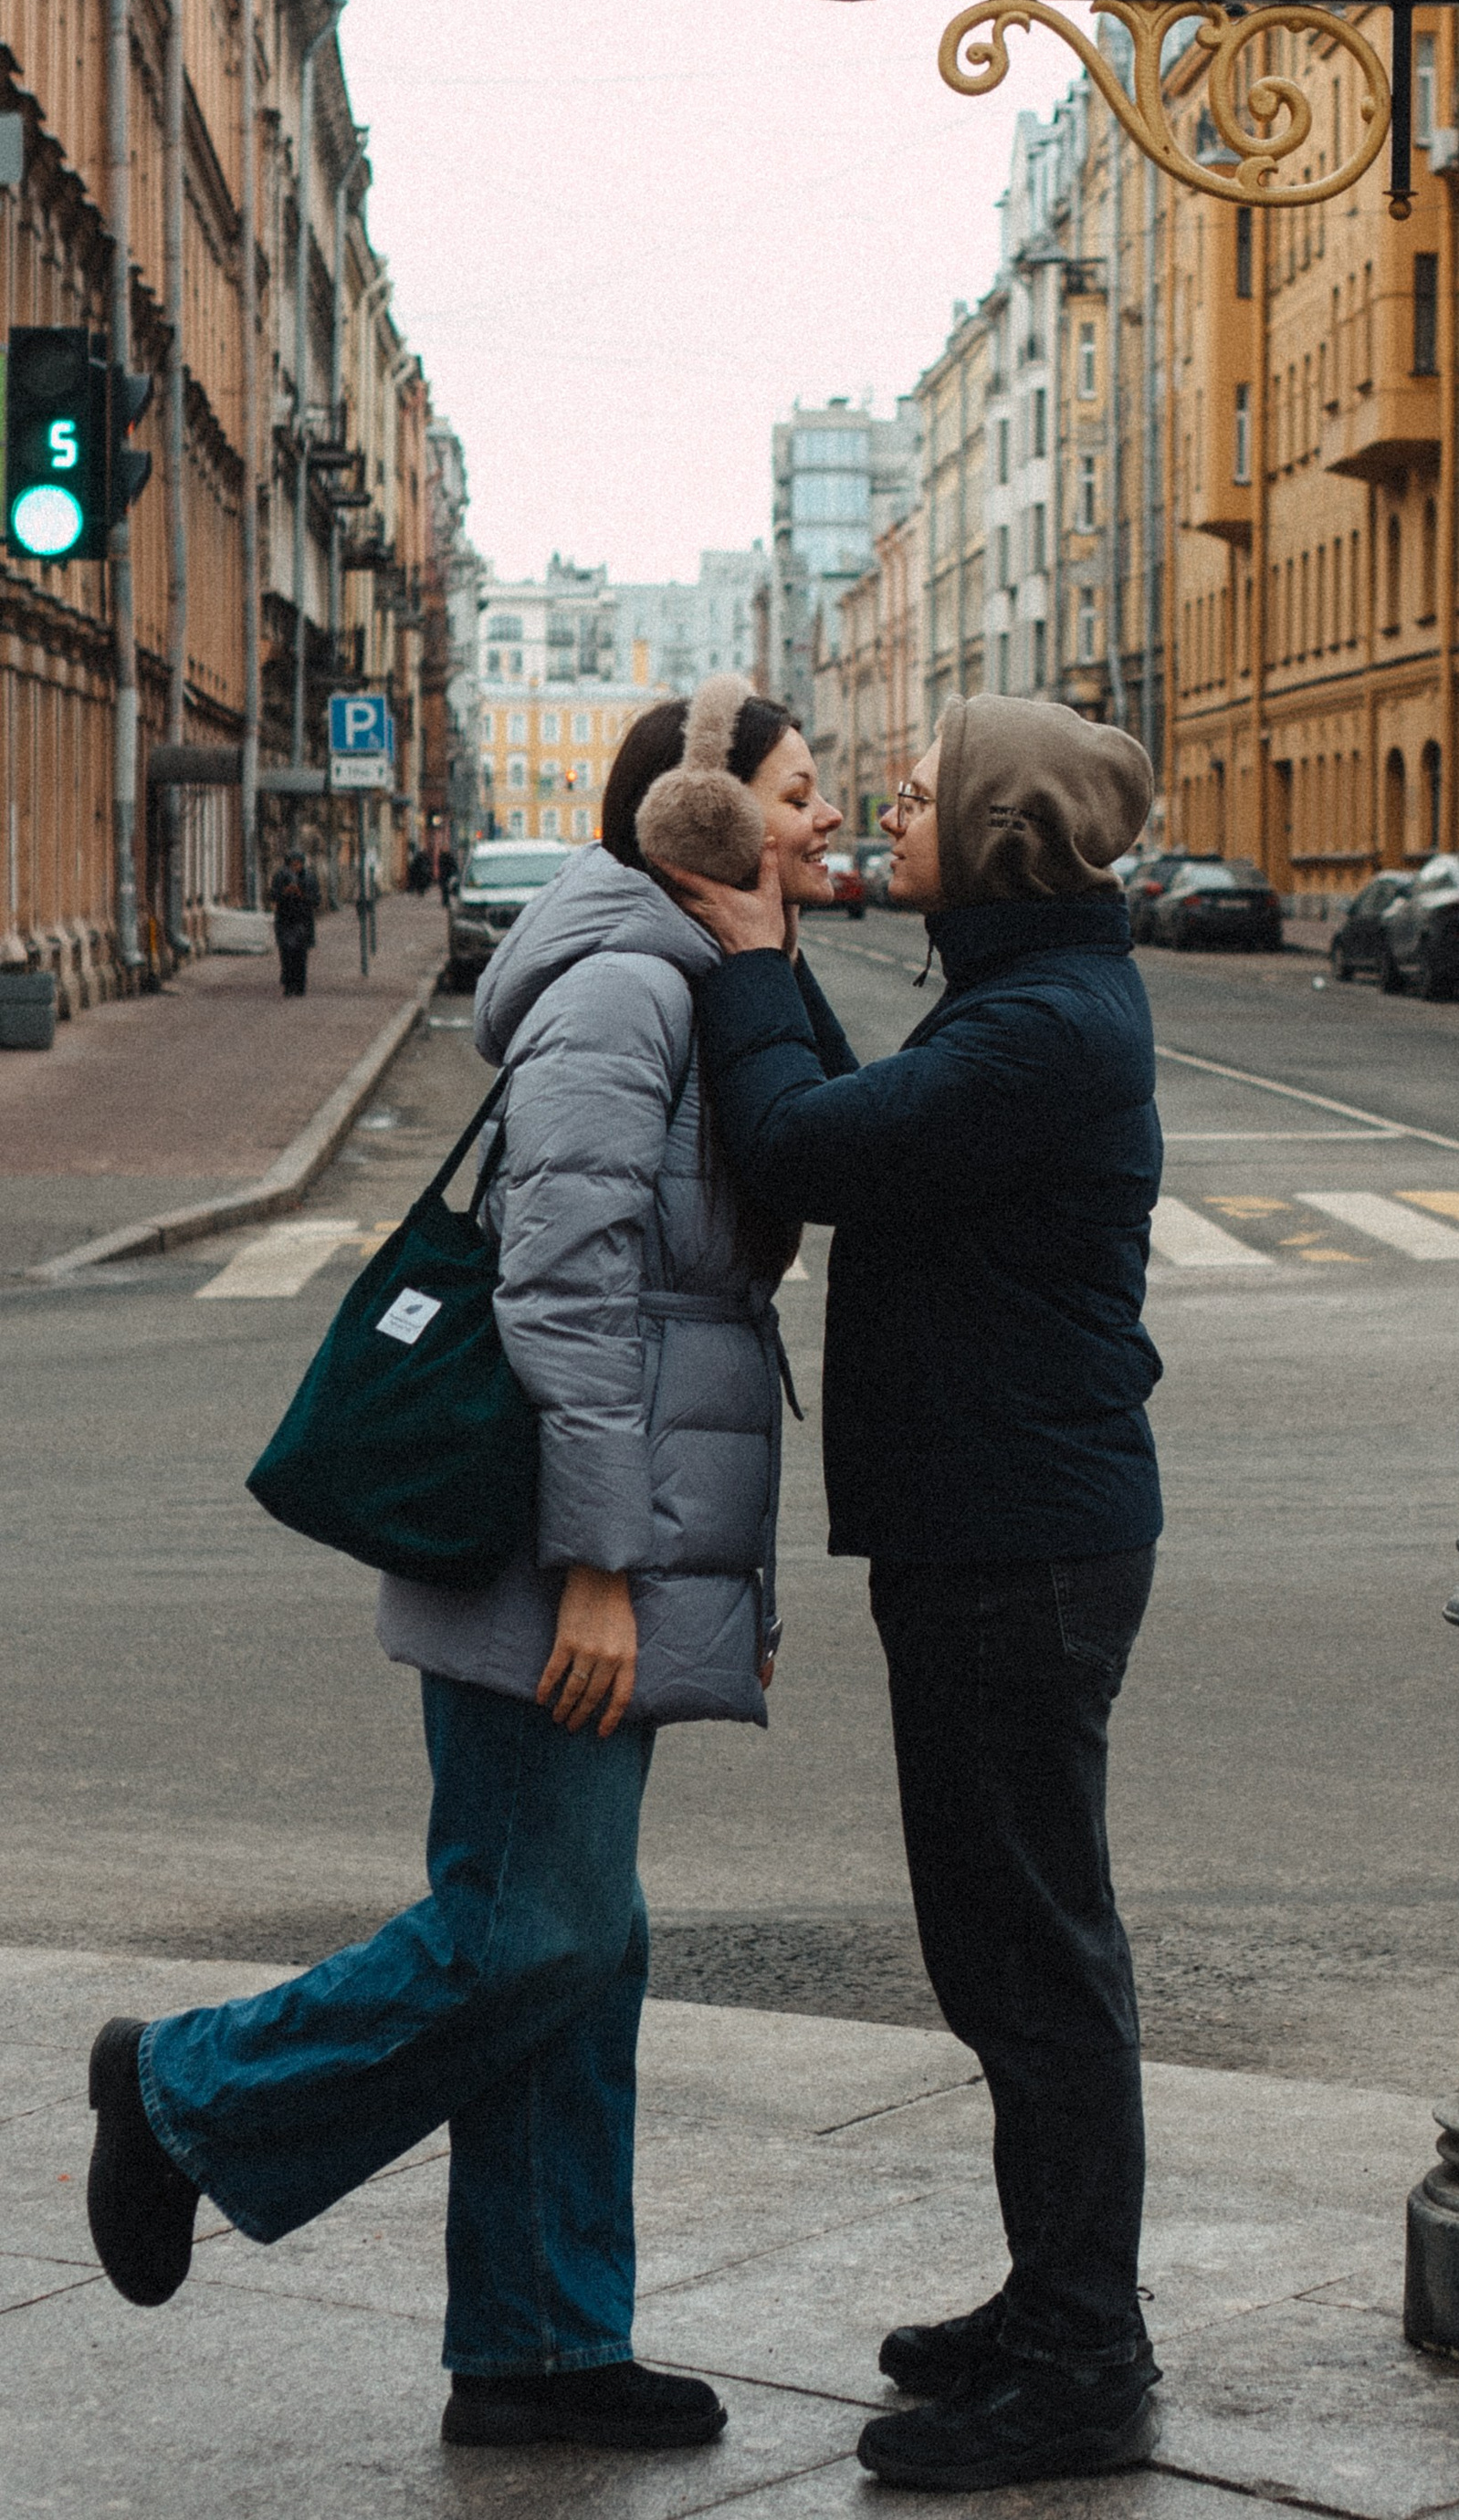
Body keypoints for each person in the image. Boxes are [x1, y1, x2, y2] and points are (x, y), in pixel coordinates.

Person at [84, 681, 843, 2456]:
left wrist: (693, 1586)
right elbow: (565, 1291)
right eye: (801, 795)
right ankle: (182, 2093)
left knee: (579, 1948)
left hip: (617, 1546)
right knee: (533, 1932)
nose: (828, 822)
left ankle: (541, 2342)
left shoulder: (697, 977)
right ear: (709, 820)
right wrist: (599, 1568)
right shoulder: (618, 989)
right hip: (549, 1548)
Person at [673, 692, 1163, 2494]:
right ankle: (1052, 2310)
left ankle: (1082, 2368)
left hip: (1013, 1538)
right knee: (1005, 1957)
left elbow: (805, 1145)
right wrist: (774, 935)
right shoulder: (1027, 992)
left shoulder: (1040, 1027)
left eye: (931, 791)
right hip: (997, 1523)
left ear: (1006, 833)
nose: (895, 799)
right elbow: (857, 1102)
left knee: (1033, 1964)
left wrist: (739, 955)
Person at [268, 843, 320, 997]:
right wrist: (285, 892)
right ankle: (288, 985)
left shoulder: (309, 877)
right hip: (285, 920)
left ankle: (300, 985)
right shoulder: (280, 876)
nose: (295, 867)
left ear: (302, 864)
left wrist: (301, 894)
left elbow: (316, 900)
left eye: (298, 864)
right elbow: (273, 896)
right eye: (292, 864)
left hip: (302, 920)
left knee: (300, 955)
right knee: (286, 953)